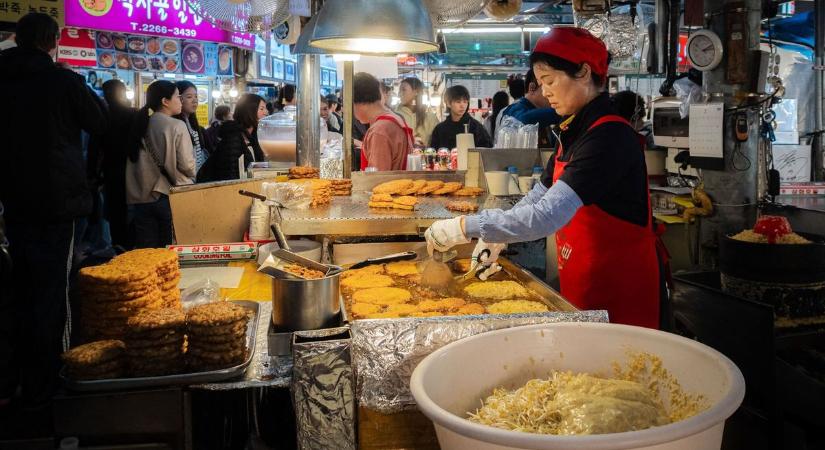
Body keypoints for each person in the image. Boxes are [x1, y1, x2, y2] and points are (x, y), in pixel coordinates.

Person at [424, 27, 665, 329]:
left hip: (621, 293)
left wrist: (464, 227)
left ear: (583, 72)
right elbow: (538, 197)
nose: (545, 91)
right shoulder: (573, 131)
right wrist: (495, 236)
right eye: (541, 83)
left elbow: (546, 216)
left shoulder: (608, 137)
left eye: (550, 81)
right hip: (584, 284)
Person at [0, 12, 105, 408]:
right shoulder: (61, 80)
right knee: (53, 291)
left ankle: (15, 379)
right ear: (54, 41)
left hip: (13, 201)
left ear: (16, 38)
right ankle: (49, 383)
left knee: (19, 287)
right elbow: (100, 122)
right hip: (57, 202)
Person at [125, 80, 195, 248]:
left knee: (147, 251)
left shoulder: (140, 123)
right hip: (169, 195)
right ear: (165, 101)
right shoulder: (177, 125)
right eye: (177, 97)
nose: (181, 101)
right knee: (169, 249)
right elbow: (187, 165)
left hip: (141, 197)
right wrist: (193, 175)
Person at [88, 79, 137, 250]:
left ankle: (119, 246)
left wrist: (92, 173)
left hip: (111, 171)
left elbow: (94, 149)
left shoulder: (103, 116)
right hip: (134, 169)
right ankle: (131, 246)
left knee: (116, 212)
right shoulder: (134, 114)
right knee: (133, 212)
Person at [200, 93, 267, 181]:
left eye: (265, 108)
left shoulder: (253, 136)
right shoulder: (233, 137)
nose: (266, 112)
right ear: (249, 110)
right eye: (261, 109)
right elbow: (229, 176)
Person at [354, 72, 413, 171]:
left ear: (358, 104)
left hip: (390, 181)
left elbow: (377, 177)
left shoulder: (379, 131)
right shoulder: (395, 118)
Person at [495, 69, 561, 147]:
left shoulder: (543, 117)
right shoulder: (514, 109)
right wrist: (562, 111)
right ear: (532, 88)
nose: (551, 94)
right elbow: (523, 120)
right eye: (547, 87)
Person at [429, 85, 492, 149]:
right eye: (458, 102)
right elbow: (433, 151)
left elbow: (487, 149)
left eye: (465, 102)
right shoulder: (440, 129)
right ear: (448, 103)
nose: (462, 106)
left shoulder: (476, 127)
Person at [174, 81, 211, 181]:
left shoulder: (193, 124)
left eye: (196, 96)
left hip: (197, 179)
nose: (195, 101)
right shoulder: (177, 125)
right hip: (185, 180)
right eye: (189, 97)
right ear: (178, 99)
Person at [395, 77, 439, 148]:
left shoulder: (431, 118)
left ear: (416, 92)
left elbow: (437, 144)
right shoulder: (395, 116)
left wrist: (426, 149)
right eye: (399, 91)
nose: (399, 94)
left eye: (403, 90)